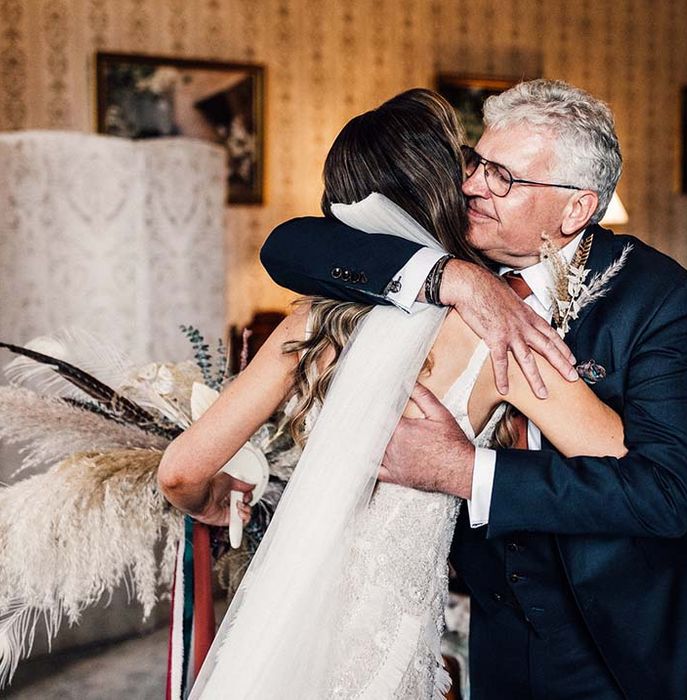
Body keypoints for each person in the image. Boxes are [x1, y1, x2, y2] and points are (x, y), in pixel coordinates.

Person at [260, 80, 687, 699]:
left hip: (624, 641)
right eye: (477, 163)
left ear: (575, 210)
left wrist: (465, 471)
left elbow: (667, 495)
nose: (474, 186)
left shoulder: (655, 296)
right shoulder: (458, 254)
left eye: (503, 177)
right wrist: (455, 278)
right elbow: (289, 246)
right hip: (501, 628)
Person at [158, 88, 626, 698]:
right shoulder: (499, 331)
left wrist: (219, 504)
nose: (479, 185)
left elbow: (178, 474)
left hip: (285, 612)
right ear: (442, 192)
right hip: (385, 633)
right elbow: (622, 463)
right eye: (469, 170)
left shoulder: (311, 321)